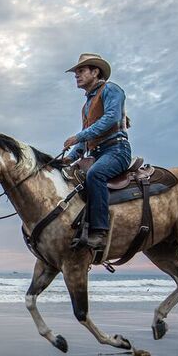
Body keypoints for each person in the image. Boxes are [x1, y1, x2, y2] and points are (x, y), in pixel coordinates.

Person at [63, 53, 131, 250]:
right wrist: (69, 158)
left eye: (81, 71)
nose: (77, 75)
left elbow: (111, 118)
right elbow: (86, 140)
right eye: (75, 73)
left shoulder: (111, 89)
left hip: (116, 150)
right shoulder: (86, 106)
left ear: (95, 72)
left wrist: (78, 136)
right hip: (97, 153)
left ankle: (100, 232)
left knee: (95, 174)